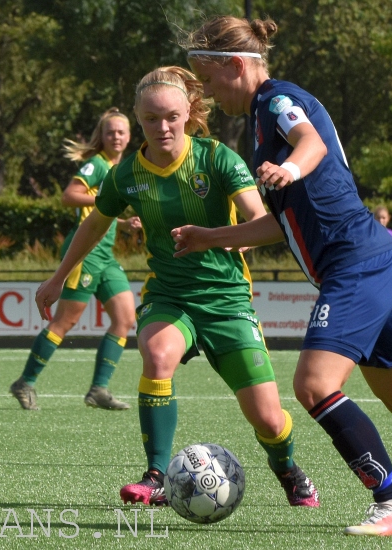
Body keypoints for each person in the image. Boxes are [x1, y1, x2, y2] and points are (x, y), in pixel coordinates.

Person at [171, 16, 392, 536]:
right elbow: (281, 226)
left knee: (314, 385)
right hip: (374, 260)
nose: (207, 94)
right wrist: (210, 237)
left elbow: (311, 143)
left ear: (236, 65)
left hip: (356, 264)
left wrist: (291, 169)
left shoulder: (276, 100)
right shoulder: (260, 119)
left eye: (208, 82)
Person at [34, 66, 319, 508]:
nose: (161, 127)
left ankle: (286, 466)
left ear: (189, 113)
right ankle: (156, 476)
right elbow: (95, 223)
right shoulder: (126, 173)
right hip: (169, 296)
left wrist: (209, 237)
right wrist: (57, 277)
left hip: (226, 301)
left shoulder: (218, 159)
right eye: (150, 119)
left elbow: (268, 227)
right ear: (138, 119)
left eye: (170, 116)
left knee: (268, 418)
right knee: (157, 353)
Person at [10, 107, 141, 411]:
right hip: (85, 254)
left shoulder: (120, 167)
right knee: (64, 323)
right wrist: (108, 201)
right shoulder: (96, 164)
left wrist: (122, 224)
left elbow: (102, 213)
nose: (116, 137)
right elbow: (70, 196)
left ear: (129, 136)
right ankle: (25, 382)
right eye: (110, 132)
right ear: (102, 137)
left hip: (105, 255)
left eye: (121, 132)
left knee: (125, 319)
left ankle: (99, 389)